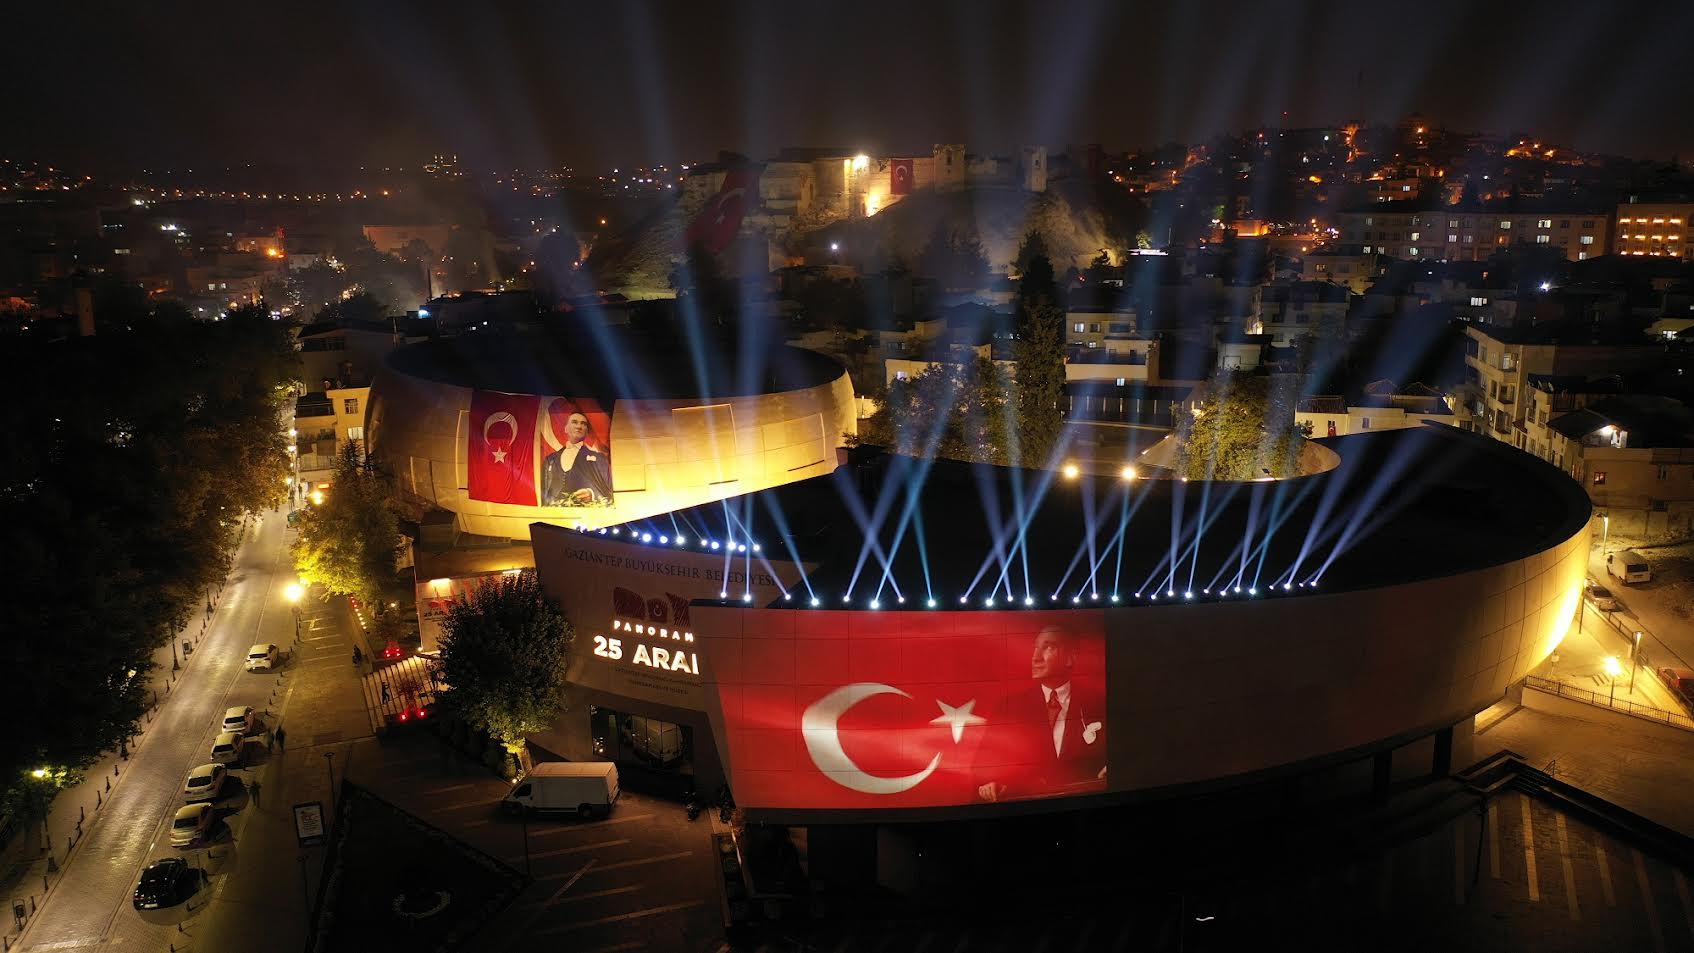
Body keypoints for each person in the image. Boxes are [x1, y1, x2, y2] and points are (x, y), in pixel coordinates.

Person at [976, 624, 1107, 803]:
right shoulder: (1009, 707)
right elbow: (983, 766)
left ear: (1070, 657)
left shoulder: (1099, 703)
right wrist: (989, 783)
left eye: (1048, 647)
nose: (1035, 658)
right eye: (1035, 648)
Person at [540, 408, 613, 506]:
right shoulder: (550, 459)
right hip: (554, 511)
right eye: (574, 422)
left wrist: (592, 494)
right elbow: (543, 489)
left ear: (587, 431)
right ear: (566, 428)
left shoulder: (599, 459)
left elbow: (607, 490)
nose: (579, 426)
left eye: (583, 424)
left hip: (585, 511)